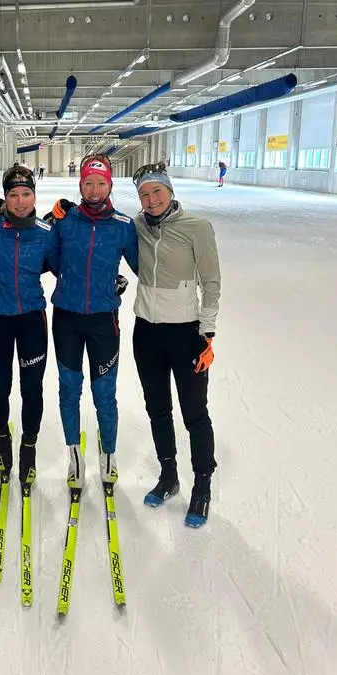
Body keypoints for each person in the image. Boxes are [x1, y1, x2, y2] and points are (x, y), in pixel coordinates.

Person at [132, 162, 221, 527]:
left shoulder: (196, 227)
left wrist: (208, 333)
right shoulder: (136, 225)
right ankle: (168, 475)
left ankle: (202, 485)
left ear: (170, 192)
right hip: (146, 332)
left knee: (194, 413)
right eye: (144, 194)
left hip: (186, 333)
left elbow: (211, 281)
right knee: (157, 409)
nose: (151, 200)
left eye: (157, 192)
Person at [47, 155, 138, 488]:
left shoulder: (124, 226)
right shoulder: (65, 221)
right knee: (69, 390)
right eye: (89, 183)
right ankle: (73, 453)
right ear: (80, 184)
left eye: (101, 183)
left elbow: (145, 266)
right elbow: (54, 261)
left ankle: (109, 452)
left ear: (110, 185)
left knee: (104, 393)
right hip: (67, 319)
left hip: (104, 321)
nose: (95, 189)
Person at [0, 163, 56, 486]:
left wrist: (109, 280)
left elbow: (69, 266)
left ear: (34, 195)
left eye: (26, 194)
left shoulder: (47, 233)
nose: (20, 201)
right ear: (5, 197)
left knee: (32, 388)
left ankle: (29, 447)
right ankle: (3, 439)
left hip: (31, 319)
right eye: (13, 195)